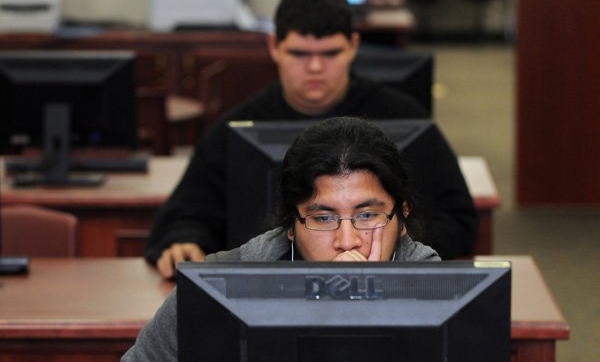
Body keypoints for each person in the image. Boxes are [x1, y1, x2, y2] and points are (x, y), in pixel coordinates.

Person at [145, 0, 478, 279]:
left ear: (353, 45)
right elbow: (189, 209)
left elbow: (458, 220)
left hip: (388, 287)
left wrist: (387, 248)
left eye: (330, 53)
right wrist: (183, 240)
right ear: (274, 46)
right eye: (300, 53)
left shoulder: (402, 117)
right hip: (259, 294)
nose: (315, 67)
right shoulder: (236, 126)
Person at [122, 117, 441, 361]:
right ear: (291, 224)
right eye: (324, 218)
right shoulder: (218, 289)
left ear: (402, 219)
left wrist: (364, 317)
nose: (347, 240)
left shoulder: (442, 299)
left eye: (368, 216)